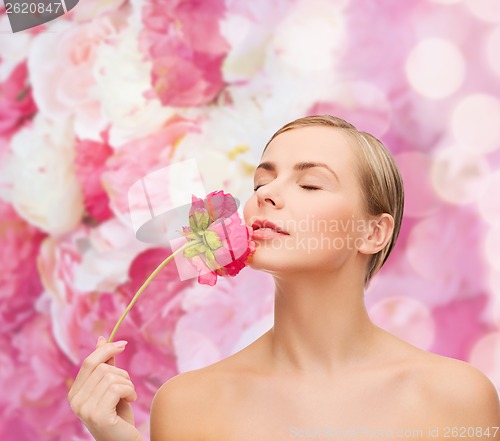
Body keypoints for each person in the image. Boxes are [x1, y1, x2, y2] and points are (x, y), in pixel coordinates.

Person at [68, 115, 500, 441]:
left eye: (310, 184)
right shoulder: (186, 404)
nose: (265, 194)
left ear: (373, 232)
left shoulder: (456, 398)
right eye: (262, 181)